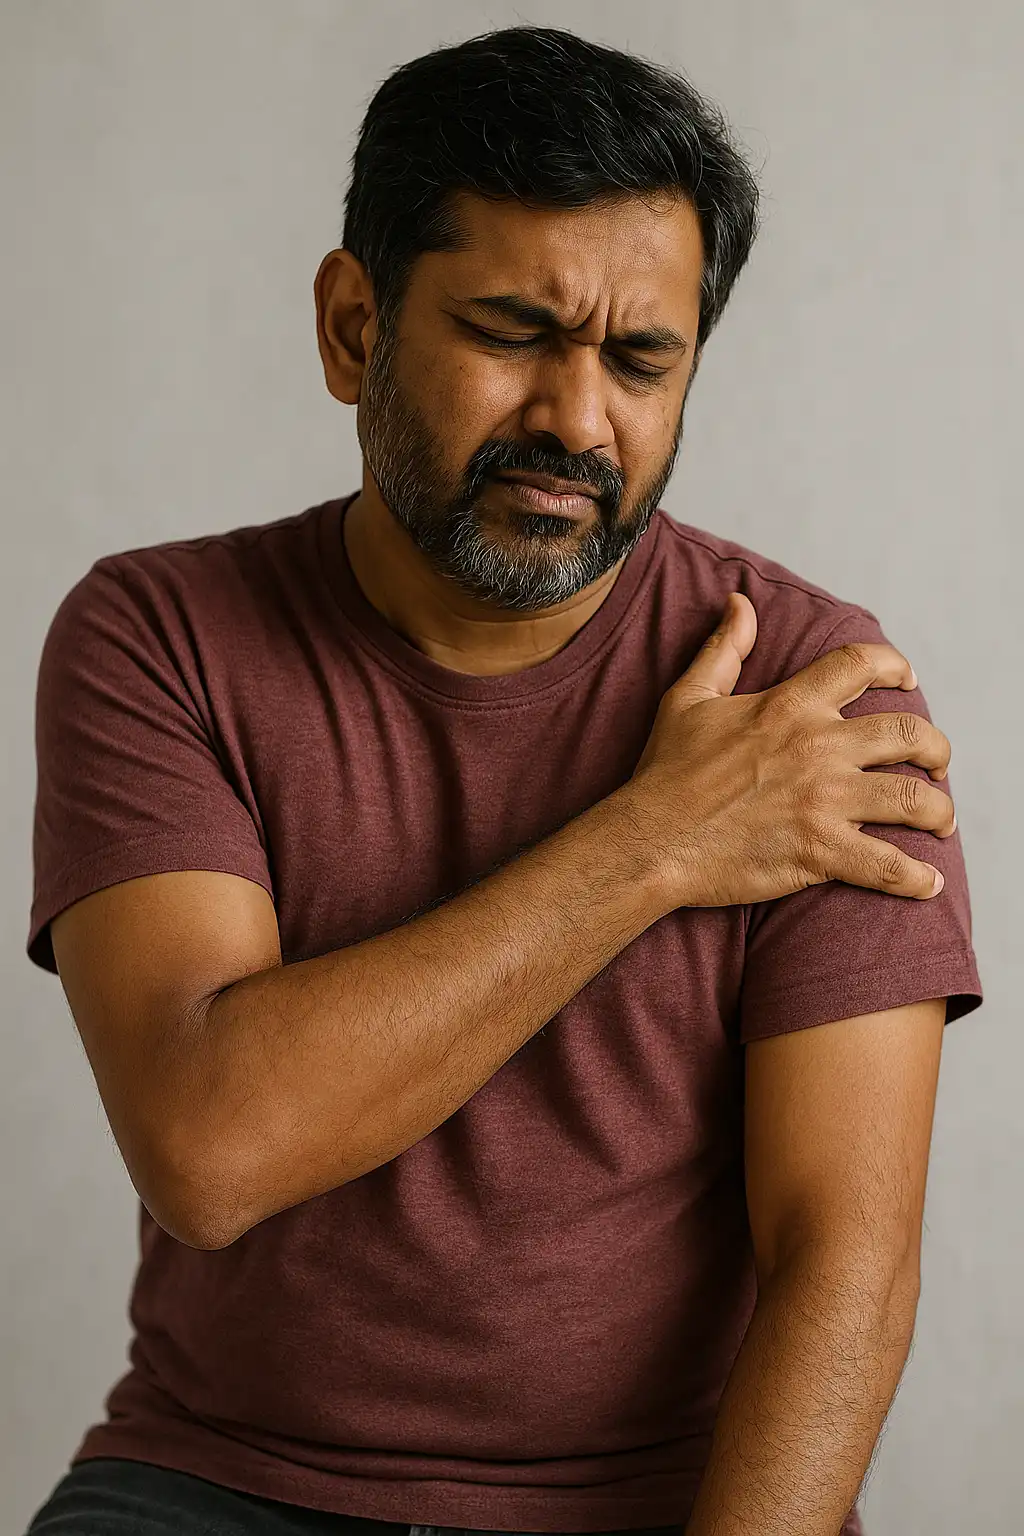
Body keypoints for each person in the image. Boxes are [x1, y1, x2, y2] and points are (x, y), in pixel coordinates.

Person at [23, 23, 981, 1536]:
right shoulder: (158, 638)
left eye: (641, 359)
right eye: (512, 330)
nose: (576, 421)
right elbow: (210, 1148)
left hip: (660, 1503)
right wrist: (657, 841)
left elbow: (844, 1265)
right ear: (353, 326)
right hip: (224, 1482)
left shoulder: (812, 695)